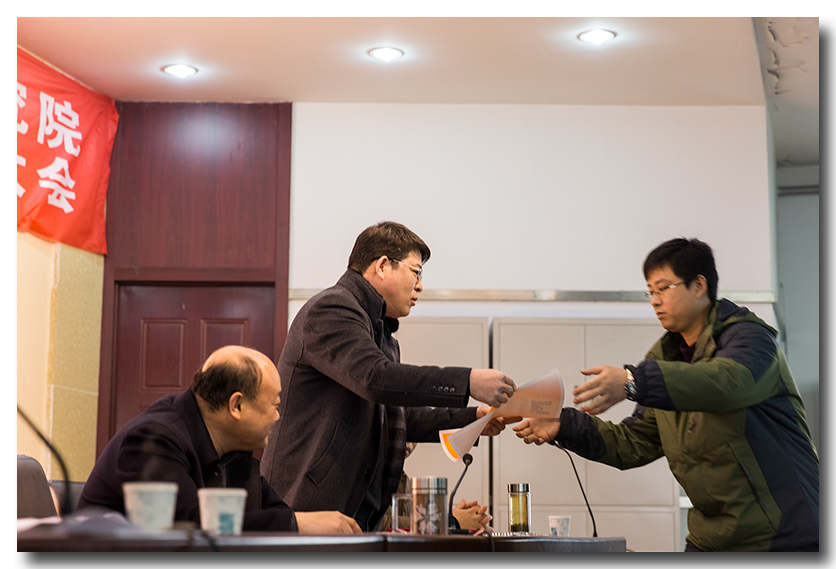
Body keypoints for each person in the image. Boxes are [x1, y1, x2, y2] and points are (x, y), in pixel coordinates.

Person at [513, 238, 818, 552]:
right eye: (650, 292)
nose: (655, 301)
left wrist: (633, 382)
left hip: (785, 536)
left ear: (699, 285)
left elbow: (725, 383)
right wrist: (564, 425)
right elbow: (635, 443)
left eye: (663, 289)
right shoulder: (666, 359)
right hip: (713, 540)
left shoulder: (750, 339)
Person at [261, 221, 516, 531]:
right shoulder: (331, 309)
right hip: (309, 508)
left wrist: (473, 419)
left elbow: (401, 418)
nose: (420, 286)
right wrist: (468, 381)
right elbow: (375, 378)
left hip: (356, 513)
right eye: (416, 272)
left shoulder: (381, 334)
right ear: (382, 266)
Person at [77, 345, 361, 534]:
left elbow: (268, 511)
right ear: (237, 406)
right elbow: (192, 527)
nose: (278, 417)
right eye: (275, 405)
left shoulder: (231, 446)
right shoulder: (152, 440)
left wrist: (296, 522)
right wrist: (298, 524)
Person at [380, 443, 492, 534]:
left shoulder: (403, 478)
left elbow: (412, 531)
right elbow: (379, 525)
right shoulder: (372, 474)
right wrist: (448, 522)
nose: (409, 445)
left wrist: (472, 522)